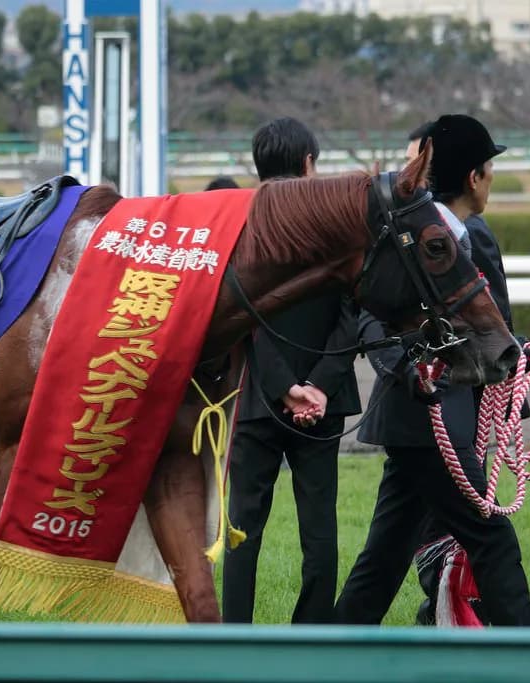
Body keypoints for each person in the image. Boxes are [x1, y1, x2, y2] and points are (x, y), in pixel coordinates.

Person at [334, 114, 530, 627]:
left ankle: (330, 650)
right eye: (489, 168)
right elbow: (493, 327)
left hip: (415, 417)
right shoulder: (456, 238)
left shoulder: (420, 230)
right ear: (474, 176)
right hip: (437, 415)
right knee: (491, 537)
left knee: (384, 555)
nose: (491, 178)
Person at [222, 117, 362, 624]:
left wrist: (283, 387)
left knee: (242, 528)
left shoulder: (240, 226)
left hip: (257, 396)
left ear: (259, 168)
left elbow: (245, 318)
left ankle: (233, 635)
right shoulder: (336, 229)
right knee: (320, 528)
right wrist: (318, 387)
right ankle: (313, 636)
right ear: (308, 164)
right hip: (323, 405)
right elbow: (352, 319)